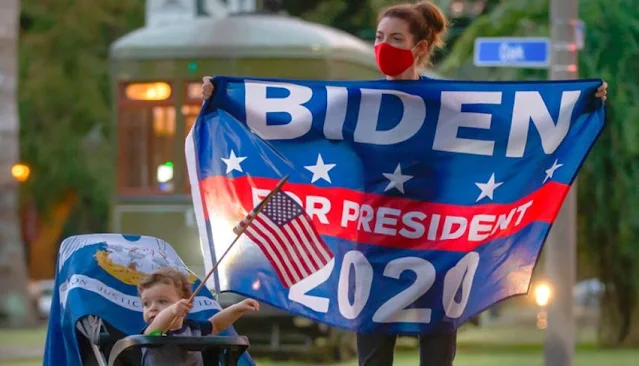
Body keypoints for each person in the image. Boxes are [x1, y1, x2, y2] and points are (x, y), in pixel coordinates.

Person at [199, 2, 608, 364]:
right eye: (379, 37)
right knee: (373, 357)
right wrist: (224, 96)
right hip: (372, 248)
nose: (383, 45)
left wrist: (581, 101)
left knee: (437, 356)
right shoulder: (359, 100)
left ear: (420, 46)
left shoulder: (450, 103)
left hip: (439, 248)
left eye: (395, 38)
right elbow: (291, 119)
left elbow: (516, 126)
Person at [138, 267, 259, 366]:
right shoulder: (153, 332)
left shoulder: (193, 328)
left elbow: (216, 324)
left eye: (162, 301)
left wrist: (237, 308)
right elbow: (159, 324)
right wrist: (172, 310)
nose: (152, 308)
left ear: (186, 302)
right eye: (146, 304)